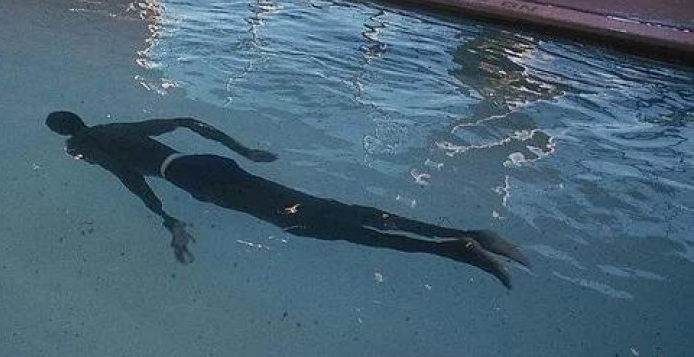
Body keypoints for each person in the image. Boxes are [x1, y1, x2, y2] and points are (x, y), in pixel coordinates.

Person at [46, 111, 531, 289]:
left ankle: (456, 248)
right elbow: (189, 122)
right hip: (208, 165)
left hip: (199, 183)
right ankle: (465, 238)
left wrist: (167, 219)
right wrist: (244, 151)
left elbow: (133, 183)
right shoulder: (117, 127)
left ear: (65, 138)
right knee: (315, 205)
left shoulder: (89, 147)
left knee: (306, 223)